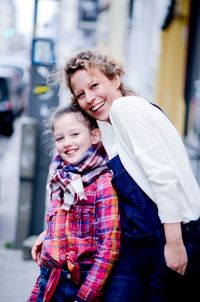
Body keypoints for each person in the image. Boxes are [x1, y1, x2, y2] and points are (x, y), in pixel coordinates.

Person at [60, 48, 200, 302]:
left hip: (168, 237)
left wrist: (175, 243)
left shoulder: (127, 109)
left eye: (94, 85)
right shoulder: (110, 127)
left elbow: (162, 177)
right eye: (81, 94)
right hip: (136, 245)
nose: (90, 98)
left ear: (115, 79)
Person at [28, 103, 120, 302]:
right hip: (50, 277)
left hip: (80, 283)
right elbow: (57, 232)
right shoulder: (59, 180)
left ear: (94, 136)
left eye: (74, 134)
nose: (66, 142)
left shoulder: (102, 183)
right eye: (60, 138)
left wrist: (86, 296)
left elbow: (109, 245)